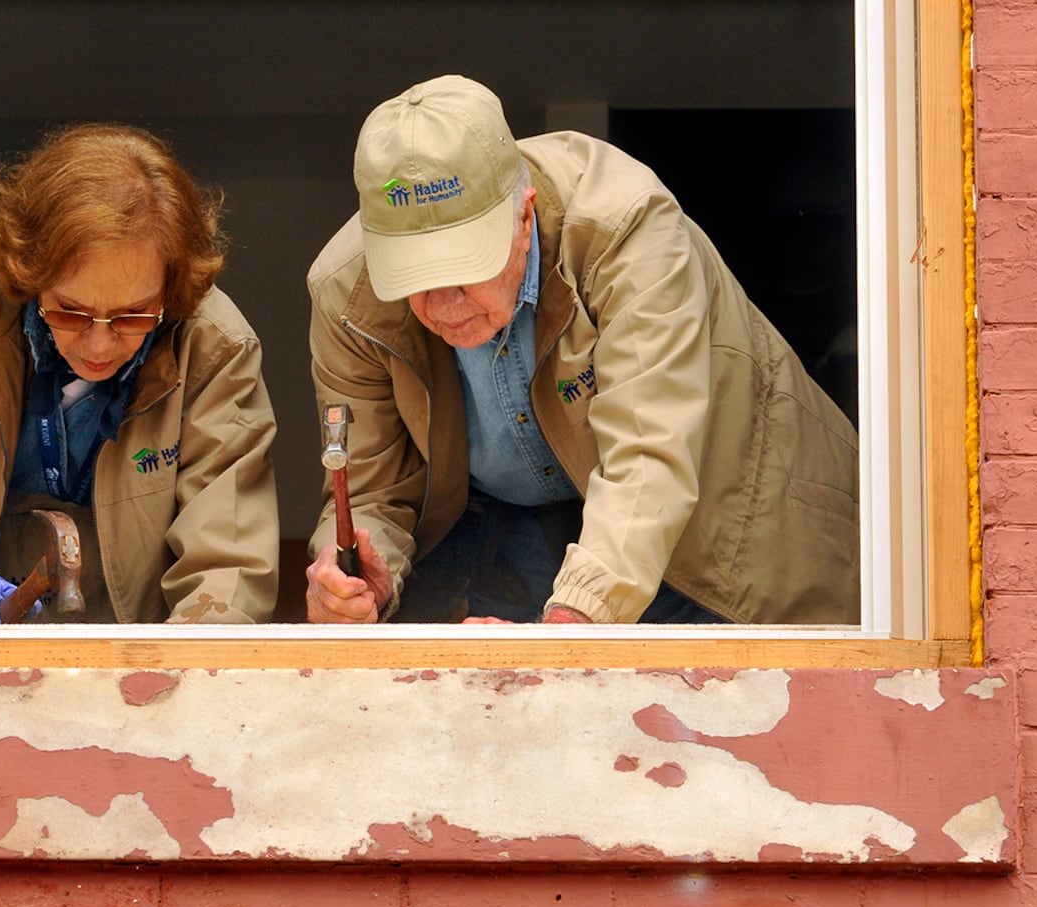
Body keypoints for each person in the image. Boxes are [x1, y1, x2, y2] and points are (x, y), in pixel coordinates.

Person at [304, 76, 859, 626]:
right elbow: (372, 488)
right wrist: (351, 574)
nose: (442, 303)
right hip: (524, 538)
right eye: (415, 277)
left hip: (729, 529)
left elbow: (648, 455)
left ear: (523, 216)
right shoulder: (347, 292)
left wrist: (568, 630)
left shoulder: (626, 227)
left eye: (464, 267)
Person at [0, 123, 279, 624]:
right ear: (28, 276)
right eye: (70, 311)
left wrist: (181, 672)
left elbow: (226, 563)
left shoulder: (216, 344)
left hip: (124, 653)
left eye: (132, 315)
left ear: (173, 288)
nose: (99, 345)